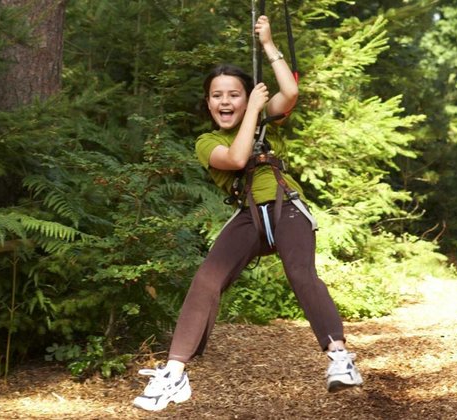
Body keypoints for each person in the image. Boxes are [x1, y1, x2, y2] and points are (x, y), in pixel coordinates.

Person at [132, 15, 363, 412]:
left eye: (235, 94)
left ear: (245, 98)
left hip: (285, 206)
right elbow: (238, 157)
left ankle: (339, 358)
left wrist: (268, 45)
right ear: (208, 103)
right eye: (217, 95)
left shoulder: (266, 124)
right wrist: (254, 110)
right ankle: (174, 372)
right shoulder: (206, 142)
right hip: (249, 217)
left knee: (300, 272)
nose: (226, 102)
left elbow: (289, 92)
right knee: (207, 279)